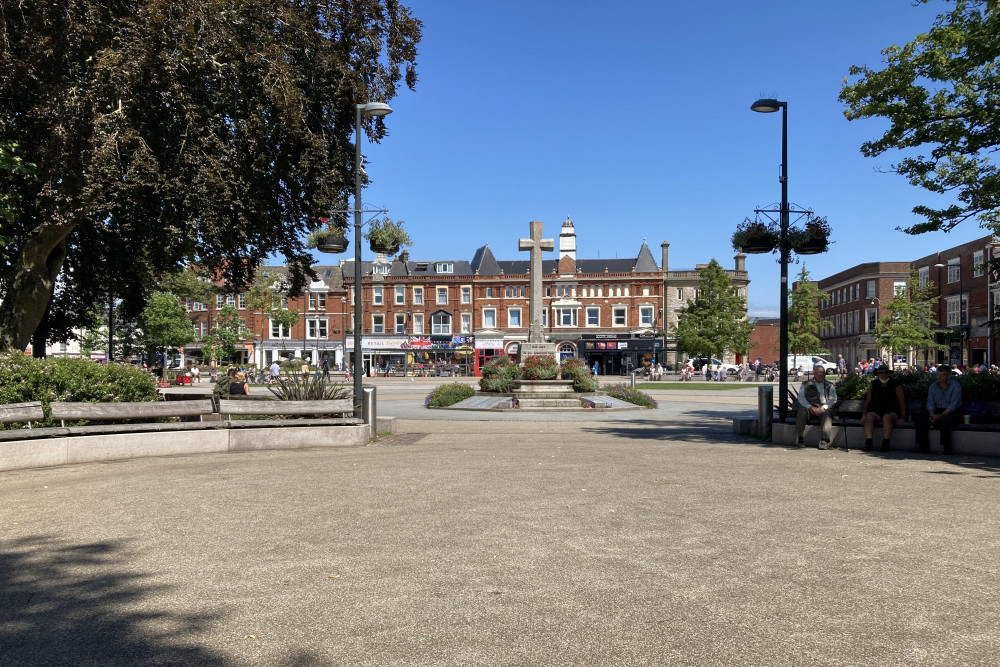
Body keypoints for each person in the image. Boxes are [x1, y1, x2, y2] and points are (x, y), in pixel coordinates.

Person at [915, 364, 962, 454]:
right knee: (921, 419)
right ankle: (922, 446)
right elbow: (930, 402)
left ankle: (946, 447)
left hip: (950, 412)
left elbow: (954, 404)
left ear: (948, 375)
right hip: (936, 410)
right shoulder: (933, 386)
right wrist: (932, 414)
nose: (939, 377)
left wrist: (940, 416)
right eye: (938, 375)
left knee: (945, 420)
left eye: (942, 375)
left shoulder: (956, 386)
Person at [862, 365, 905, 452]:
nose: (883, 375)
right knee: (869, 416)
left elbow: (902, 402)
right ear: (877, 374)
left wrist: (902, 418)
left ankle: (885, 443)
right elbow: (868, 401)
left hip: (892, 411)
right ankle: (869, 443)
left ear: (888, 374)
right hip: (877, 410)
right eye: (881, 373)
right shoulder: (873, 384)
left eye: (885, 373)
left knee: (887, 417)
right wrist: (863, 415)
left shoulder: (896, 385)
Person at [795, 364, 838, 450]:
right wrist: (810, 407)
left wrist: (823, 408)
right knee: (801, 412)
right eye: (819, 372)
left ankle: (824, 440)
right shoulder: (806, 384)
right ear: (814, 373)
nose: (821, 374)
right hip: (810, 407)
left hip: (823, 408)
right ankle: (800, 438)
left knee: (826, 416)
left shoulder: (829, 385)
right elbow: (801, 398)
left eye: (823, 372)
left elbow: (833, 399)